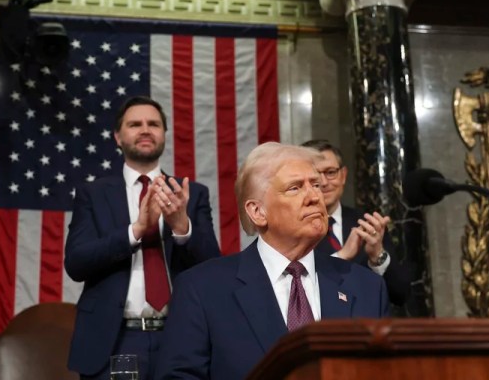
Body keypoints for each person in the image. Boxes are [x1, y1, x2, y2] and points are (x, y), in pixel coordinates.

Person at [155, 142, 389, 380]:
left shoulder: (367, 287)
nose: (314, 197)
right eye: (295, 188)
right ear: (258, 212)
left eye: (316, 185)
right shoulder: (202, 289)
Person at [65, 96, 221, 380]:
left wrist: (182, 227)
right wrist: (135, 230)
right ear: (117, 137)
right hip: (115, 339)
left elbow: (213, 266)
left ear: (164, 134)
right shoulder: (93, 194)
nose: (145, 130)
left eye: (154, 124)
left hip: (180, 335)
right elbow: (76, 263)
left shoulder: (190, 193)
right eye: (135, 124)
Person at [301, 139, 411, 306]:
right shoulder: (291, 229)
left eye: (330, 172)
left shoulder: (367, 223)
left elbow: (400, 294)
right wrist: (342, 256)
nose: (324, 182)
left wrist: (377, 257)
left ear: (343, 175)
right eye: (315, 175)